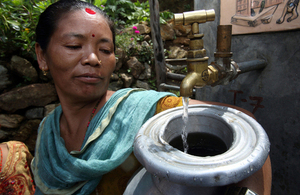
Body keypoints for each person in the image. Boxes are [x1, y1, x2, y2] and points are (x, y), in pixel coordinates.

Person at [30, 0, 271, 194]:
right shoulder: (48, 130)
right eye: (73, 46)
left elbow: (246, 128)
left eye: (105, 50)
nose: (93, 59)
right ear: (42, 56)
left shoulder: (144, 112)